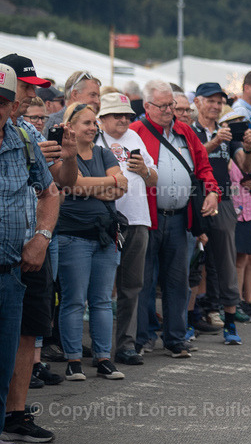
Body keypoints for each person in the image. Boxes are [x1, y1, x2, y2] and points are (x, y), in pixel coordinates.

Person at [0, 62, 59, 444]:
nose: (0, 109)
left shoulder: (22, 138)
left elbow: (51, 191)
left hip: (10, 271)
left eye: (3, 101)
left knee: (3, 364)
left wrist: (40, 237)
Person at [132, 80, 221, 358]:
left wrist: (213, 193)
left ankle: (175, 337)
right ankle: (144, 336)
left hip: (180, 217)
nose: (170, 110)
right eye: (163, 105)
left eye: (172, 105)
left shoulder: (185, 132)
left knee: (177, 281)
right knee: (144, 280)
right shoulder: (135, 132)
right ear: (147, 106)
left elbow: (204, 167)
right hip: (148, 218)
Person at [56, 102, 127, 380]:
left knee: (101, 301)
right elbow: (73, 184)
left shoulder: (103, 152)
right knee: (74, 300)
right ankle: (73, 360)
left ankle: (103, 358)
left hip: (105, 236)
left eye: (94, 122)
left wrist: (92, 186)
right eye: (86, 123)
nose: (93, 127)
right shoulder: (63, 154)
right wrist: (106, 182)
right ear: (70, 126)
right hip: (72, 236)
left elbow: (123, 185)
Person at [191, 82, 251, 342]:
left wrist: (249, 148)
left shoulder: (226, 131)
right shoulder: (190, 130)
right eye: (210, 100)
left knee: (226, 264)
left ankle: (230, 324)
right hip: (195, 200)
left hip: (224, 201)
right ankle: (190, 320)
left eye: (219, 102)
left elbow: (244, 167)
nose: (215, 106)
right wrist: (213, 142)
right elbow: (193, 158)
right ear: (197, 102)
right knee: (194, 264)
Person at [96, 93, 157, 366]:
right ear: (102, 118)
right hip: (104, 221)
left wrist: (144, 170)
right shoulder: (95, 140)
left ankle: (126, 345)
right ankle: (98, 349)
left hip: (137, 219)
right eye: (117, 115)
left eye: (127, 116)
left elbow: (155, 177)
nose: (124, 120)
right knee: (99, 289)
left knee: (132, 285)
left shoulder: (135, 137)